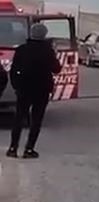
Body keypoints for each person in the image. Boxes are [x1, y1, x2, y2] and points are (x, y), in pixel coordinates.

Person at [7, 22, 61, 159]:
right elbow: (56, 69)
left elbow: (13, 71)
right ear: (44, 35)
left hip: (23, 89)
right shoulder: (48, 51)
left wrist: (16, 86)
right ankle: (29, 150)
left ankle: (13, 148)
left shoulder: (21, 49)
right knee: (36, 120)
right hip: (41, 90)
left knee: (18, 119)